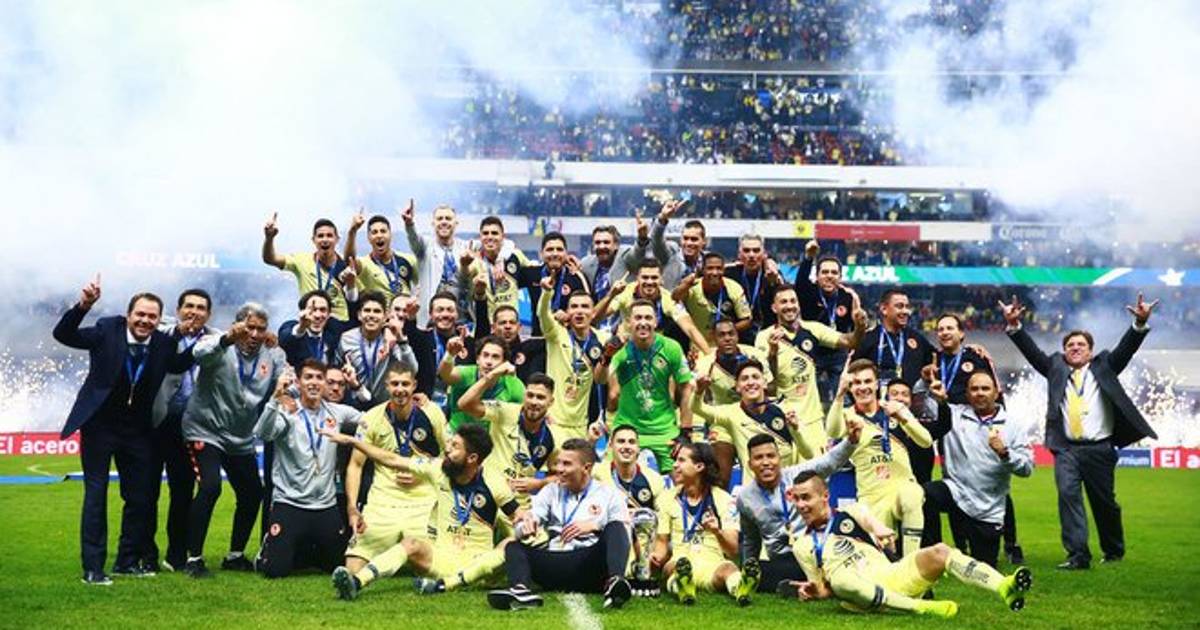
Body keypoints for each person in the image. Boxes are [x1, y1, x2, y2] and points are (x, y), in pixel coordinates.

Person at [1000, 293, 1159, 570]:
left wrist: (1139, 324)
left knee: (1104, 503)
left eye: (1081, 344)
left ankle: (1113, 550)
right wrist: (1015, 326)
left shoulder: (1105, 365)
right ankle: (1077, 555)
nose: (1075, 348)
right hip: (1066, 449)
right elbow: (1032, 353)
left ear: (1090, 351)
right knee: (1068, 496)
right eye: (1070, 345)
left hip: (1100, 448)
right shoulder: (1055, 367)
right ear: (1064, 351)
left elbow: (1126, 349)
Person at [53, 276, 195, 584]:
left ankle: (127, 562)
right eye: (140, 314)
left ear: (159, 320)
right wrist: (83, 306)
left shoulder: (163, 343)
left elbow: (179, 364)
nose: (145, 321)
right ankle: (93, 568)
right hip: (99, 427)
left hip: (138, 431)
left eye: (152, 316)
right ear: (128, 315)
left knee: (140, 497)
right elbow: (63, 334)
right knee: (96, 494)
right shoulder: (106, 330)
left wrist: (216, 341)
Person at [785, 471, 1032, 617]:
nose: (801, 505)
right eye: (797, 499)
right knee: (841, 580)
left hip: (892, 576)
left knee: (940, 551)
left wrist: (881, 531)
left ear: (825, 496)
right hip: (860, 598)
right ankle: (921, 607)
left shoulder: (851, 512)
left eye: (806, 498)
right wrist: (815, 592)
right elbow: (825, 589)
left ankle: (1004, 586)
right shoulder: (802, 545)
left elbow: (872, 522)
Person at [323, 424, 523, 600]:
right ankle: (356, 582)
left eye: (455, 447)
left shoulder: (494, 483)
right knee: (411, 544)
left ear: (472, 458)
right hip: (441, 560)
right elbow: (393, 460)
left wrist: (526, 520)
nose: (447, 449)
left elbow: (518, 516)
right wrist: (354, 442)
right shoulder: (438, 469)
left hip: (479, 564)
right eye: (450, 443)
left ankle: (445, 586)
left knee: (511, 543)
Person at [182, 302, 288, 579]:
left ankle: (235, 556)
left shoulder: (272, 354)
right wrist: (227, 338)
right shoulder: (219, 342)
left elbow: (285, 380)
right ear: (237, 325)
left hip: (240, 436)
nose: (254, 334)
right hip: (205, 429)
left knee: (252, 492)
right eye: (249, 327)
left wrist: (287, 389)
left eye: (260, 329)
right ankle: (193, 558)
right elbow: (198, 353)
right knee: (210, 487)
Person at [488, 439, 634, 610]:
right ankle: (521, 591)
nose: (559, 469)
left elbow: (624, 535)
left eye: (566, 464)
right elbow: (528, 522)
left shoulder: (609, 494)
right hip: (555, 562)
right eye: (558, 463)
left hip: (589, 564)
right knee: (513, 547)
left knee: (616, 526)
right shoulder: (551, 491)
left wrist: (596, 526)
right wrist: (526, 527)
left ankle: (615, 583)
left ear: (586, 468)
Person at [255, 360, 361, 578]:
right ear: (298, 382)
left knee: (337, 566)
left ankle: (306, 549)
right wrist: (275, 398)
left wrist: (358, 387)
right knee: (275, 571)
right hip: (290, 502)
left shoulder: (337, 412)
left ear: (325, 384)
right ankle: (268, 547)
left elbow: (372, 419)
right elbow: (263, 433)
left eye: (319, 378)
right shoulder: (288, 411)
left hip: (325, 505)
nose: (314, 382)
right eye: (308, 377)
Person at [342, 365, 448, 579]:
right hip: (383, 501)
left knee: (428, 566)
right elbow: (355, 465)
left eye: (405, 384)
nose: (400, 389)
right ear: (387, 386)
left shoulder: (432, 413)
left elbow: (450, 456)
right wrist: (352, 507)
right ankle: (358, 579)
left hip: (423, 500)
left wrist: (422, 473)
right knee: (352, 568)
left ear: (414, 385)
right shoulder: (371, 418)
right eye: (395, 384)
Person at [923, 371, 1034, 568]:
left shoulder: (1012, 425)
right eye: (974, 389)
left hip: (988, 507)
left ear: (996, 393)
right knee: (923, 495)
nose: (980, 393)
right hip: (955, 491)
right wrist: (925, 380)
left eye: (985, 389)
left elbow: (1027, 468)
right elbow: (923, 401)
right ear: (967, 394)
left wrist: (1005, 453)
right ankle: (933, 554)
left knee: (983, 569)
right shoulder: (953, 415)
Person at [826, 359, 931, 558]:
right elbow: (832, 431)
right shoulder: (848, 415)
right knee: (882, 556)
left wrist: (903, 418)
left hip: (901, 486)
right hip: (871, 495)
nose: (862, 387)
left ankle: (911, 564)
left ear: (877, 384)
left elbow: (925, 441)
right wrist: (839, 394)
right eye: (856, 383)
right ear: (850, 387)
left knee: (912, 495)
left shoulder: (894, 408)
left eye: (867, 381)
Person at [738, 427, 859, 594]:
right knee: (762, 570)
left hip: (813, 549)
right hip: (782, 560)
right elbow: (750, 539)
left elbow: (830, 462)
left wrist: (851, 441)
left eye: (771, 456)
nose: (766, 462)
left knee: (836, 554)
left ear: (779, 459)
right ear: (750, 464)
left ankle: (802, 584)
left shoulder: (798, 475)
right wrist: (748, 572)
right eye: (759, 458)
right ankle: (816, 583)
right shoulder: (745, 498)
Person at [147, 288, 217, 572]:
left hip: (191, 425)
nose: (194, 312)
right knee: (146, 491)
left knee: (182, 491)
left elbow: (244, 337)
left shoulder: (215, 338)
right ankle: (144, 553)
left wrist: (269, 339)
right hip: (156, 421)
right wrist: (178, 332)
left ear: (208, 314)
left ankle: (176, 553)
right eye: (189, 306)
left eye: (201, 308)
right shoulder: (162, 334)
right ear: (178, 310)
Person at [758, 286, 865, 452]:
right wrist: (773, 353)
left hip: (812, 419)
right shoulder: (764, 337)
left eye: (793, 301)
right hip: (782, 417)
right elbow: (768, 385)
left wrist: (859, 327)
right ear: (774, 307)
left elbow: (849, 342)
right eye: (784, 302)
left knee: (818, 467)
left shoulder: (813, 329)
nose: (789, 306)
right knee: (785, 468)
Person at [651, 443, 758, 606]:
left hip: (713, 564)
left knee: (728, 569)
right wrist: (656, 558)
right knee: (670, 568)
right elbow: (662, 542)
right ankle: (683, 588)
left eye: (681, 460)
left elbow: (733, 551)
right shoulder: (666, 499)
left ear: (699, 467)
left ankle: (740, 589)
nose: (675, 465)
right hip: (681, 561)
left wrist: (717, 532)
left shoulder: (724, 499)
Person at [598, 299, 696, 473]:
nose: (643, 322)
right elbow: (600, 379)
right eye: (638, 318)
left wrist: (686, 431)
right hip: (627, 430)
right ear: (629, 322)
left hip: (664, 431)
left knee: (682, 477)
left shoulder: (671, 347)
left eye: (648, 318)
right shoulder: (620, 349)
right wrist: (606, 357)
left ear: (655, 321)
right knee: (607, 478)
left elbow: (686, 387)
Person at [692, 359, 817, 478]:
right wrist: (699, 392)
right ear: (737, 387)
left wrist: (795, 430)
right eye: (744, 379)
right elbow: (696, 408)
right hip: (753, 488)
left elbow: (809, 453)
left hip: (784, 486)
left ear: (764, 383)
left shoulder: (785, 410)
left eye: (755, 377)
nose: (751, 382)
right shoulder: (731, 413)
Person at [459, 369, 561, 507]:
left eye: (540, 397)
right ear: (524, 396)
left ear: (551, 402)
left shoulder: (554, 436)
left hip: (520, 504)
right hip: (487, 494)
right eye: (530, 395)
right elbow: (464, 404)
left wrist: (539, 483)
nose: (534, 401)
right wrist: (493, 375)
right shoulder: (505, 411)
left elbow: (562, 476)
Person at [692, 318, 772, 485]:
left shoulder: (755, 355)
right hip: (722, 420)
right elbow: (699, 400)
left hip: (752, 417)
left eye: (731, 334)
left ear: (737, 335)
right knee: (721, 476)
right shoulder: (705, 364)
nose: (727, 338)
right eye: (721, 335)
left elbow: (770, 387)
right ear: (714, 338)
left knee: (758, 470)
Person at [538, 278, 610, 440]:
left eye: (585, 307)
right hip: (553, 422)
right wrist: (547, 293)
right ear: (567, 312)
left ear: (593, 312)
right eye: (574, 306)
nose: (579, 311)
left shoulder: (603, 339)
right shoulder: (556, 334)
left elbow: (603, 380)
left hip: (582, 426)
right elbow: (543, 314)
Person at [593, 259, 710, 354]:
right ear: (637, 278)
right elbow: (595, 317)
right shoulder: (626, 292)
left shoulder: (668, 299)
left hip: (655, 351)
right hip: (626, 347)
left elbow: (690, 328)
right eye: (645, 277)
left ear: (661, 279)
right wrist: (611, 295)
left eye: (654, 277)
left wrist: (709, 355)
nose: (649, 282)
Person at [795, 240, 856, 404]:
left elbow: (853, 328)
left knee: (843, 398)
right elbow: (800, 281)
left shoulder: (847, 297)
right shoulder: (809, 292)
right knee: (806, 398)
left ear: (840, 277)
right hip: (811, 351)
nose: (829, 276)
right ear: (817, 276)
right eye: (825, 272)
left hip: (838, 353)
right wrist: (809, 258)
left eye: (834, 272)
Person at [262, 214, 354, 321]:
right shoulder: (301, 261)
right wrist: (269, 238)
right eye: (320, 236)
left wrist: (351, 283)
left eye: (329, 235)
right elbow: (270, 259)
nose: (325, 239)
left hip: (339, 322)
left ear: (337, 239)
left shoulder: (346, 266)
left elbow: (354, 298)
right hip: (310, 320)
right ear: (313, 240)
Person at [337, 291, 418, 407]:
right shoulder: (346, 339)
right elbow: (336, 367)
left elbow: (412, 370)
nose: (371, 315)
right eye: (367, 310)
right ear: (359, 315)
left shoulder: (392, 340)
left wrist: (400, 339)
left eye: (377, 311)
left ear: (385, 316)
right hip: (354, 404)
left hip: (385, 405)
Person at [441, 335, 526, 432]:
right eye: (485, 355)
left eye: (495, 357)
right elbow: (445, 375)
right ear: (478, 359)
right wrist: (449, 355)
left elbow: (527, 410)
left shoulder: (514, 384)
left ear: (504, 363)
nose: (489, 362)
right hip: (455, 434)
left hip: (490, 438)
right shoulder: (466, 373)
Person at [403, 291, 475, 404]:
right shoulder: (422, 339)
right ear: (431, 314)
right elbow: (410, 334)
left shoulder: (468, 342)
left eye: (450, 310)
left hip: (459, 405)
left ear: (457, 314)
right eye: (440, 310)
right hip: (426, 404)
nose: (445, 314)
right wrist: (411, 316)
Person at [852, 289, 936, 386]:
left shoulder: (917, 339)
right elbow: (853, 373)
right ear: (884, 309)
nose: (906, 311)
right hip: (879, 395)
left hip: (910, 395)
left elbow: (935, 360)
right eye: (899, 306)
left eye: (907, 307)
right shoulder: (868, 340)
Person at [516, 231, 589, 337]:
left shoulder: (576, 277)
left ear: (566, 254)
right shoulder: (531, 274)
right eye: (550, 250)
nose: (555, 254)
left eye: (559, 249)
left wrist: (569, 316)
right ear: (541, 254)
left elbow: (589, 309)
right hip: (539, 338)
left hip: (568, 339)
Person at [579, 223, 649, 327]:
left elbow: (637, 255)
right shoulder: (586, 264)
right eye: (597, 243)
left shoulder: (625, 256)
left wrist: (642, 239)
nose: (602, 246)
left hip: (623, 326)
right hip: (595, 324)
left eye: (606, 242)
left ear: (616, 245)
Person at [464, 216, 531, 321]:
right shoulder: (474, 262)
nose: (490, 237)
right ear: (480, 237)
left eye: (494, 233)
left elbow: (535, 271)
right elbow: (462, 280)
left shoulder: (515, 256)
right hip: (484, 325)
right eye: (485, 233)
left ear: (503, 237)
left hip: (509, 324)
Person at [344, 209, 418, 304]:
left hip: (403, 311)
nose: (379, 235)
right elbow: (349, 261)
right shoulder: (364, 263)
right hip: (378, 312)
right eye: (374, 232)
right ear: (369, 238)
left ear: (390, 234)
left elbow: (423, 282)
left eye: (383, 231)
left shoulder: (409, 260)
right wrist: (352, 231)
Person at [724, 234, 785, 343]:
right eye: (746, 251)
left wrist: (774, 284)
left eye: (756, 251)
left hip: (768, 337)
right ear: (739, 254)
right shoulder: (729, 274)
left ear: (764, 254)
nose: (751, 255)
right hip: (736, 338)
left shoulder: (772, 274)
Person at [278, 290, 355, 368]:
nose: (317, 315)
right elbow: (284, 339)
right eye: (312, 310)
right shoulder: (291, 327)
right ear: (302, 312)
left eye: (323, 310)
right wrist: (301, 327)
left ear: (329, 314)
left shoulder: (333, 329)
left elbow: (356, 322)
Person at [648, 199, 705, 289]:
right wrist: (663, 217)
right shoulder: (670, 255)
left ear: (703, 241)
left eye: (694, 239)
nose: (689, 243)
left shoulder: (708, 261)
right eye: (685, 238)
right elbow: (656, 240)